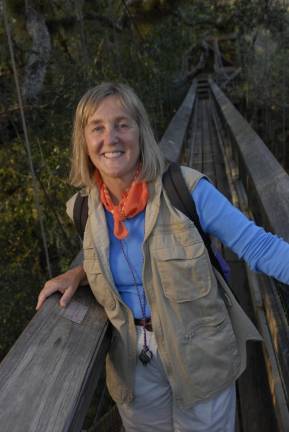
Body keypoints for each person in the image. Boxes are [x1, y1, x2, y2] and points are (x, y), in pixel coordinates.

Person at [36, 82, 289, 432]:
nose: (111, 138)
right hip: (132, 363)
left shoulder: (187, 190)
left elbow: (260, 247)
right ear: (84, 141)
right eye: (97, 127)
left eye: (122, 124)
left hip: (199, 353)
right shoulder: (82, 209)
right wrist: (79, 273)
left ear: (141, 131)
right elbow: (123, 258)